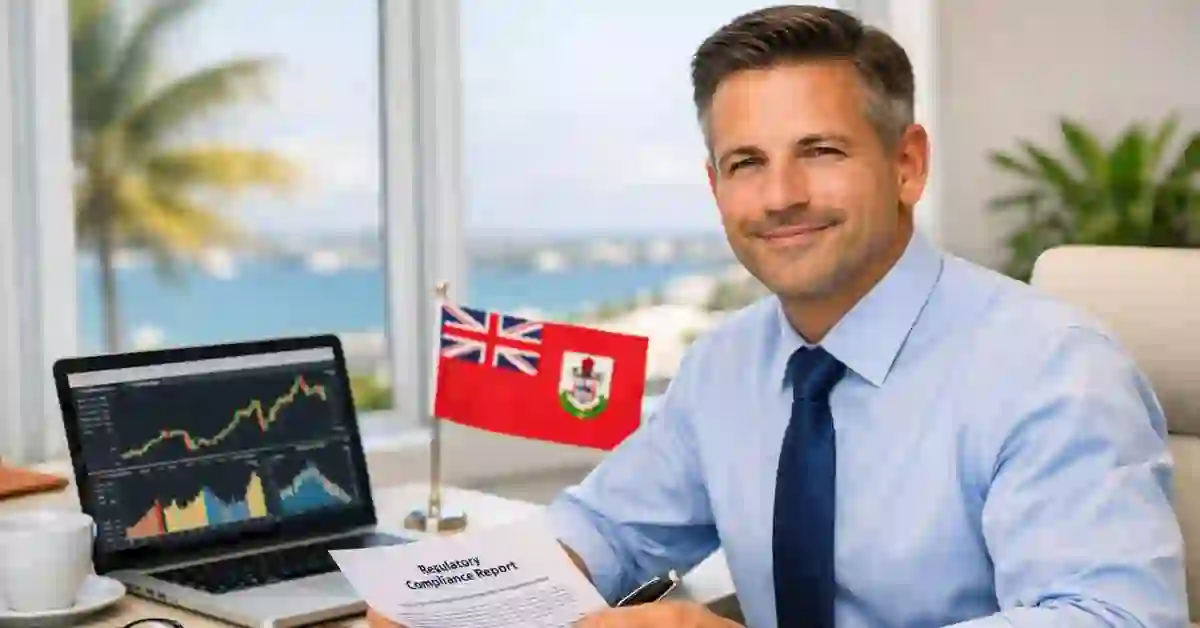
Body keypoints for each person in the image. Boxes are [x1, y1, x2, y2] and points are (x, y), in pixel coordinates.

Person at [369, 4, 1187, 628]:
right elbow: (608, 528)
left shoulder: (1053, 369)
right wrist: (455, 601)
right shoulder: (727, 365)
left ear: (907, 165)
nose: (781, 196)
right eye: (746, 163)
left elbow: (1109, 618)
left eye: (820, 152)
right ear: (715, 186)